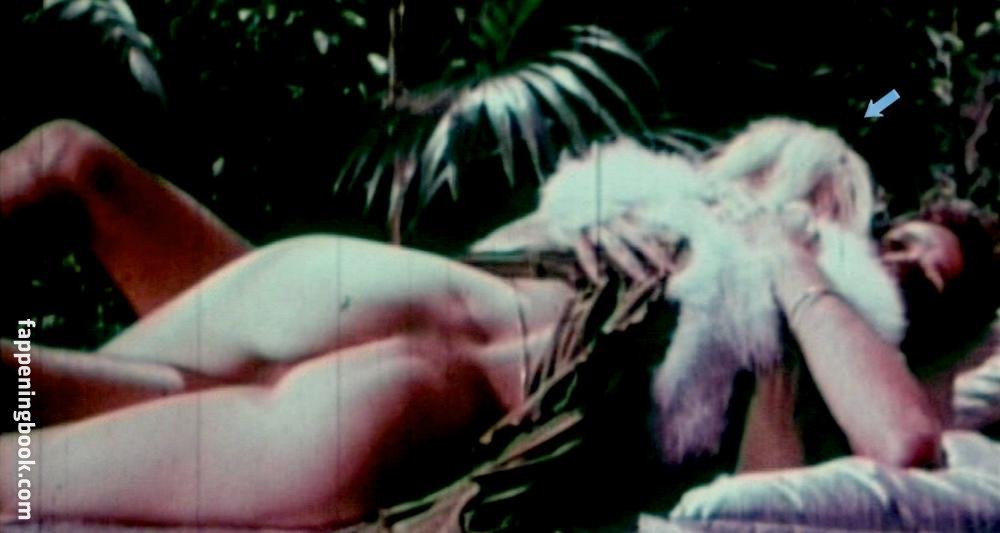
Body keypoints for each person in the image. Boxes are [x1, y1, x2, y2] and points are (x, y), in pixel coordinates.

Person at [0, 119, 995, 528]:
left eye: (928, 281)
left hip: (394, 372)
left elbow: (893, 441)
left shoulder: (806, 344)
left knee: (32, 419)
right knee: (66, 168)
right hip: (370, 310)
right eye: (904, 241)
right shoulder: (679, 216)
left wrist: (797, 269)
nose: (901, 267)